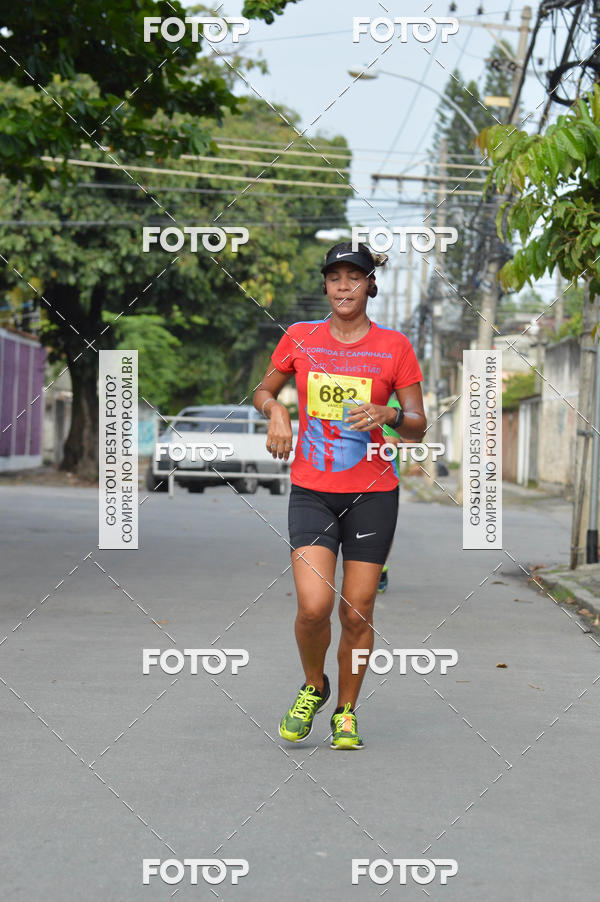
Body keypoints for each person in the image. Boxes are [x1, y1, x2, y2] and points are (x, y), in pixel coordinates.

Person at [253, 241, 426, 750]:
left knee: (357, 610)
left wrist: (390, 414)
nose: (344, 286)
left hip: (373, 493)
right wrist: (277, 411)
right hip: (313, 489)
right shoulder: (300, 337)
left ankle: (346, 711)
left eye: (354, 277)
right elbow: (263, 391)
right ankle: (314, 686)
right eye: (335, 278)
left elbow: (418, 425)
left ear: (370, 284)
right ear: (326, 285)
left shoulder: (394, 347)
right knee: (313, 607)